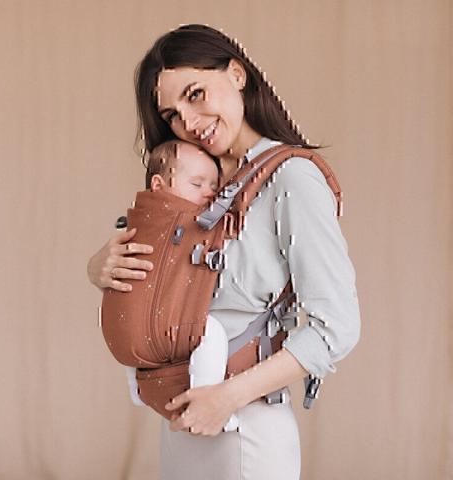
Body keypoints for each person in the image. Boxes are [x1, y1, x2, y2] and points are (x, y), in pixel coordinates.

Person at [87, 24, 361, 480]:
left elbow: (338, 326)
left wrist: (226, 398)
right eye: (172, 114)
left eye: (196, 94)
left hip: (244, 426)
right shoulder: (197, 180)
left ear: (236, 74)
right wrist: (99, 268)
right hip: (182, 418)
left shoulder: (291, 179)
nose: (189, 122)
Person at [123, 138, 240, 432]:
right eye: (197, 184)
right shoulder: (180, 222)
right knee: (212, 332)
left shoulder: (141, 220)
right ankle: (203, 402)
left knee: (132, 329)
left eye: (214, 186)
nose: (209, 192)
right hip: (160, 315)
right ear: (159, 186)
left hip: (137, 320)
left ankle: (137, 386)